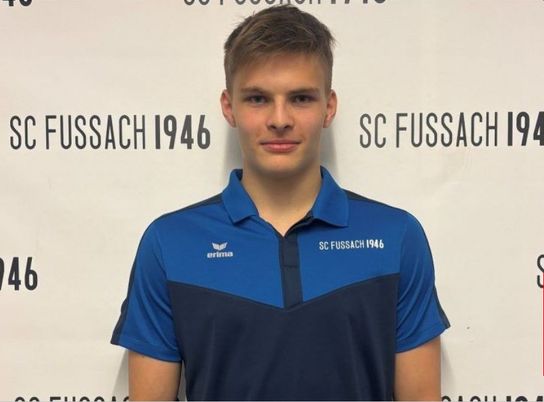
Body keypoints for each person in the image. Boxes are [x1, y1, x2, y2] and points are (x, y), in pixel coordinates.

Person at [111, 5, 449, 400]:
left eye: (301, 98)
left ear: (329, 106)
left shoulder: (395, 238)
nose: (280, 118)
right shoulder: (170, 244)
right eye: (257, 98)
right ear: (228, 106)